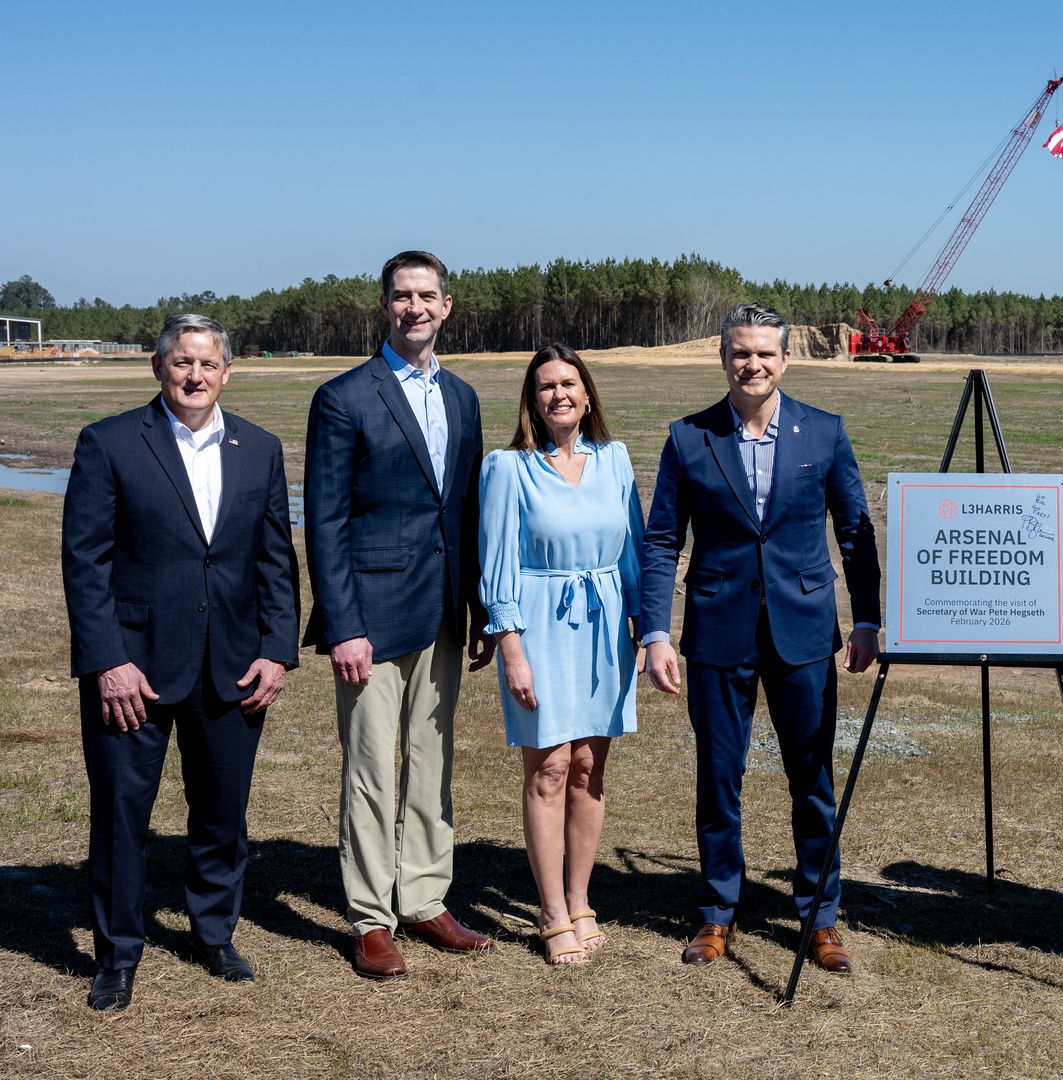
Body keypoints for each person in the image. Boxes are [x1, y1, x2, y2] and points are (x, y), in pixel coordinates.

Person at [62, 314, 298, 1011]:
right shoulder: (109, 443)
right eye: (181, 363)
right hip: (132, 670)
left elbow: (275, 561)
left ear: (228, 372)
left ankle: (214, 931)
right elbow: (85, 563)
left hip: (230, 665)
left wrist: (277, 650)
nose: (195, 376)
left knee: (222, 812)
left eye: (208, 364)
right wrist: (108, 661)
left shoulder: (258, 447)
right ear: (158, 368)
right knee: (121, 815)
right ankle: (118, 955)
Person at [639, 301, 880, 975]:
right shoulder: (689, 438)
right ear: (723, 358)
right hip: (717, 633)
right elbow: (662, 540)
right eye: (741, 352)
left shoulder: (824, 434)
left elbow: (855, 533)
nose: (753, 364)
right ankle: (717, 913)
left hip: (804, 632)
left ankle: (820, 914)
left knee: (813, 779)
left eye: (765, 353)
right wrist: (655, 631)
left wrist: (866, 619)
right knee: (720, 778)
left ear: (785, 359)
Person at [303, 250, 493, 979]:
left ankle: (424, 898)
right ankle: (371, 917)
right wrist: (343, 624)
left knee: (431, 764)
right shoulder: (345, 397)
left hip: (443, 614)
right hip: (371, 618)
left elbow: (467, 513)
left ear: (447, 306)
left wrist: (477, 610)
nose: (415, 308)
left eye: (427, 296)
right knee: (370, 771)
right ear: (384, 306)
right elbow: (326, 521)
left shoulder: (464, 398)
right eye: (401, 296)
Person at [479, 344, 643, 965]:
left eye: (569, 383)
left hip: (604, 631)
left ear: (588, 392)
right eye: (546, 386)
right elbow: (497, 566)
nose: (559, 396)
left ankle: (580, 899)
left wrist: (647, 630)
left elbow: (632, 554)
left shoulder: (615, 458)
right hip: (539, 628)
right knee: (547, 768)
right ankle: (550, 912)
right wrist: (511, 649)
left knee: (587, 770)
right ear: (531, 398)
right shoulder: (508, 467)